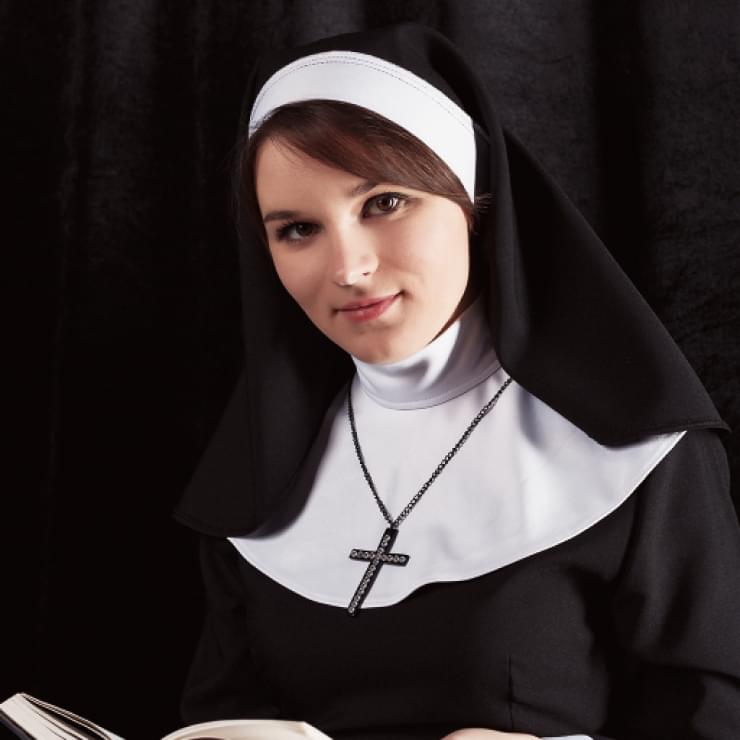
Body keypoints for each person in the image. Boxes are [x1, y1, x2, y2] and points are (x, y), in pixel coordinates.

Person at [173, 23, 740, 740]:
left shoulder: (643, 458)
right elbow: (220, 717)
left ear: (475, 200)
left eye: (383, 203)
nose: (348, 268)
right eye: (298, 230)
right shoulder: (261, 476)